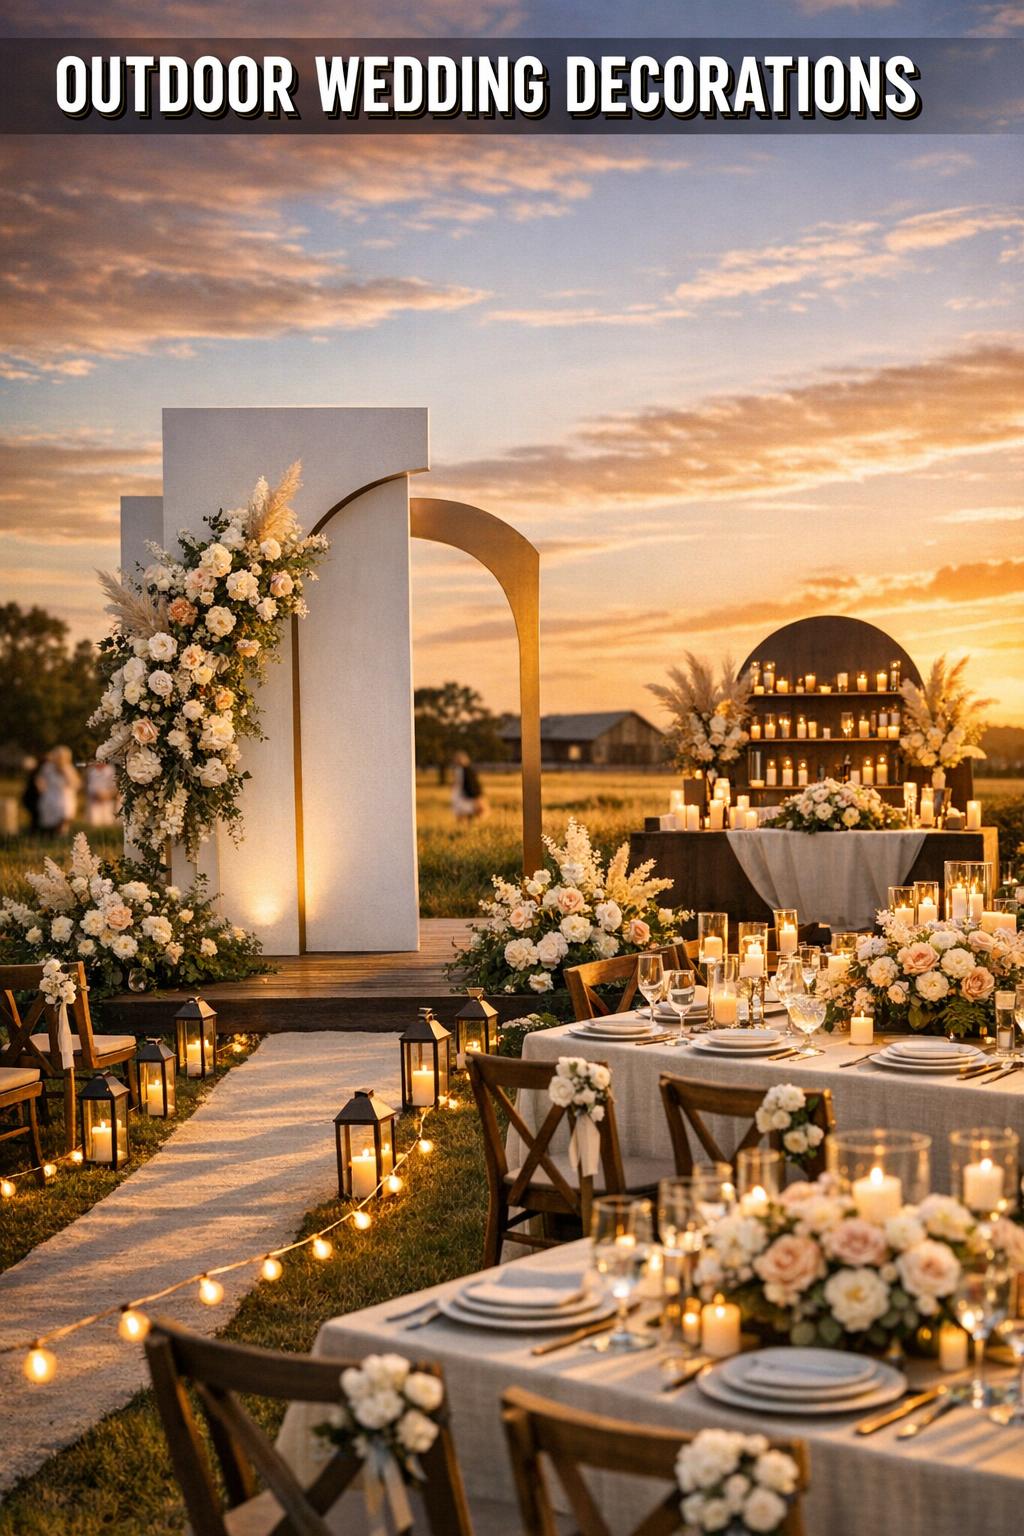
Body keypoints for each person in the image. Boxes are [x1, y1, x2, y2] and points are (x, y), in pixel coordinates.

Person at [35, 746, 81, 835]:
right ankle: (51, 835)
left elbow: (76, 784)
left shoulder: (69, 768)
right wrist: (41, 789)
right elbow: (40, 779)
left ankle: (62, 834)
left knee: (65, 816)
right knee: (50, 820)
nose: (60, 759)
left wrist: (65, 773)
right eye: (58, 757)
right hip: (50, 795)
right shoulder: (48, 767)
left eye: (63, 757)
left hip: (65, 797)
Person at [451, 750, 486, 822]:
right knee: (469, 811)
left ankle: (464, 825)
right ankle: (469, 824)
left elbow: (460, 783)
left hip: (463, 795)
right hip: (467, 795)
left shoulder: (461, 770)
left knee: (463, 811)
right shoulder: (468, 770)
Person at [85, 760, 118, 826]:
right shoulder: (91, 771)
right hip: (95, 800)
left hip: (107, 800)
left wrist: (108, 795)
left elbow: (114, 786)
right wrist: (96, 795)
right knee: (95, 822)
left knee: (108, 821)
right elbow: (89, 786)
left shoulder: (110, 770)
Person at [21, 755, 40, 833]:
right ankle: (33, 830)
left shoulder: (34, 775)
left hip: (32, 799)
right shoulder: (34, 775)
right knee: (35, 817)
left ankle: (33, 830)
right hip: (32, 799)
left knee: (35, 817)